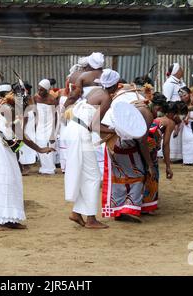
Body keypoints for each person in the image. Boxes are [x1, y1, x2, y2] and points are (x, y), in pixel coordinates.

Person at [0, 83, 54, 230]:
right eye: (23, 99)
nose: (25, 102)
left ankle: (9, 218)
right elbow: (20, 134)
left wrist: (39, 149)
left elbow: (18, 136)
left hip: (5, 143)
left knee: (13, 178)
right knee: (0, 178)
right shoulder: (6, 108)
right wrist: (39, 148)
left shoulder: (15, 109)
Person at [64, 69, 120, 229]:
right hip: (80, 133)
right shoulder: (107, 98)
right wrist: (115, 130)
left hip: (74, 129)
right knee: (93, 176)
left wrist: (110, 129)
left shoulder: (96, 91)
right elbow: (94, 125)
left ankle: (77, 213)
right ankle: (90, 219)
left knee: (87, 174)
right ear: (116, 85)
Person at [98, 70, 153, 223]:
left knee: (118, 177)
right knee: (138, 174)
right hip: (123, 143)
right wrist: (149, 165)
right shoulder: (145, 111)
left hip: (112, 143)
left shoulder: (117, 97)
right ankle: (129, 208)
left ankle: (118, 209)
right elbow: (142, 141)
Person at [162, 63, 186, 162]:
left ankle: (179, 155)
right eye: (180, 69)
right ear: (176, 71)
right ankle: (171, 156)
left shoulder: (181, 83)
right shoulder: (169, 83)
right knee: (171, 132)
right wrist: (172, 113)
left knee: (180, 133)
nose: (182, 70)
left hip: (181, 111)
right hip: (173, 112)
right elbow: (167, 100)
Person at [34, 79, 58, 175]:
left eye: (42, 90)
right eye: (39, 89)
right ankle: (44, 167)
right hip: (40, 125)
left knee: (49, 145)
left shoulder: (52, 100)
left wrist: (53, 133)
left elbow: (56, 117)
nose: (39, 92)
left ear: (47, 90)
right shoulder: (36, 97)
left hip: (49, 125)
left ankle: (50, 168)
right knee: (40, 143)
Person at [18, 82, 37, 175]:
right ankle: (23, 165)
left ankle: (26, 166)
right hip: (24, 118)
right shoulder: (23, 97)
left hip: (27, 118)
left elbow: (30, 109)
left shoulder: (28, 97)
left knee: (25, 141)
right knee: (22, 143)